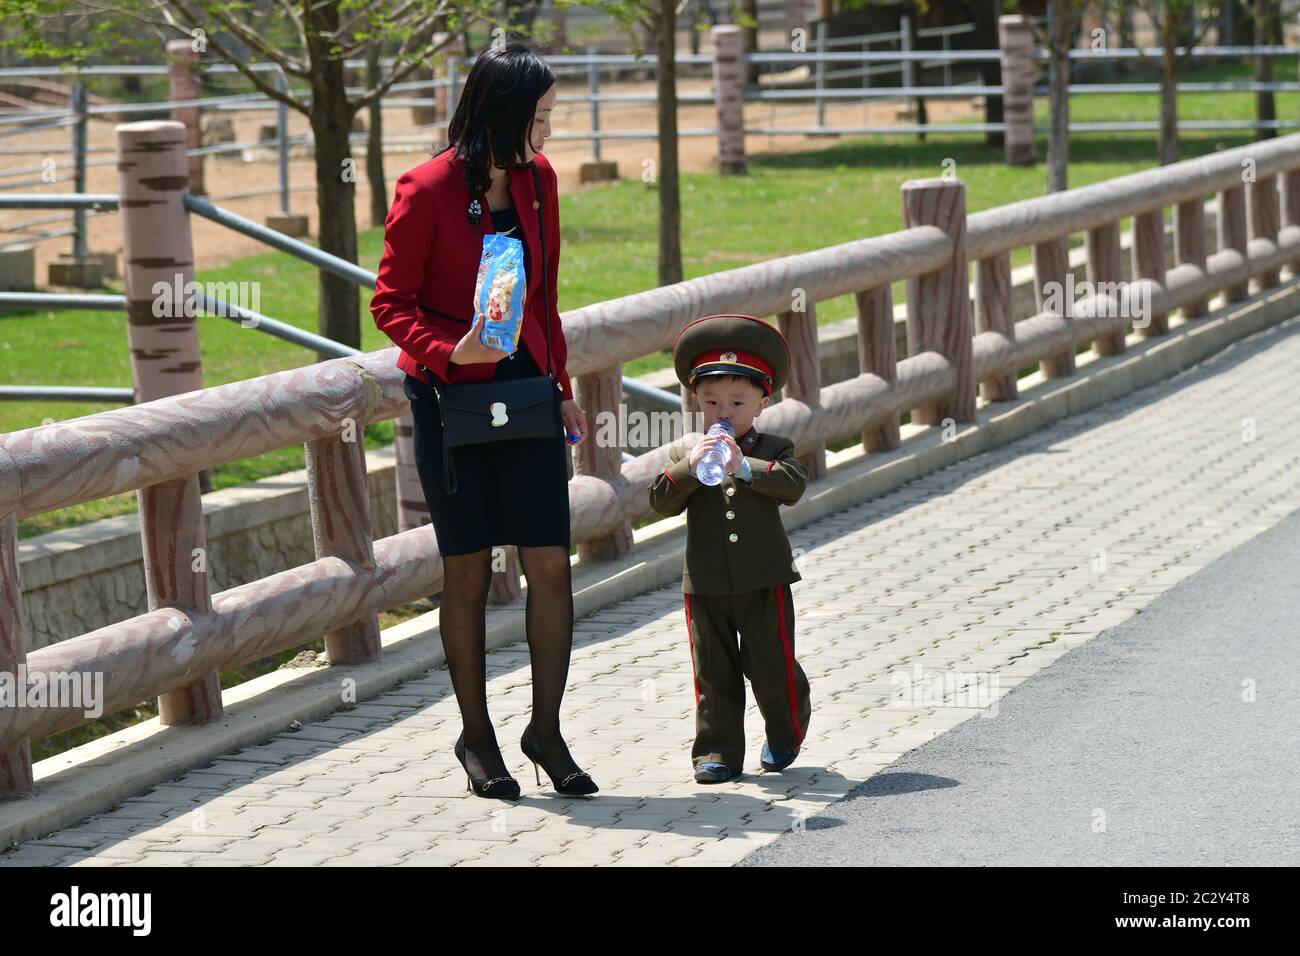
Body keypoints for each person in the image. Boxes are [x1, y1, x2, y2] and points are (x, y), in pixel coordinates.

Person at [371, 40, 597, 800]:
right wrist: (450, 350)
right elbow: (389, 304)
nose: (548, 131)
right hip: (447, 400)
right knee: (467, 572)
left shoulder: (539, 183)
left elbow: (545, 299)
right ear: (502, 116)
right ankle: (477, 736)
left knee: (550, 565)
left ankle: (547, 731)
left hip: (529, 394)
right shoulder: (427, 187)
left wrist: (560, 383)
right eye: (539, 118)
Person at [647, 314, 813, 784]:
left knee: (770, 666)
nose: (724, 412)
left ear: (762, 402)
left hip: (765, 580)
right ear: (696, 401)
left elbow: (793, 485)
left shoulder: (774, 447)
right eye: (712, 401)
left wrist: (746, 467)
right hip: (705, 583)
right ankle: (716, 751)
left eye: (738, 402)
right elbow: (658, 502)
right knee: (712, 671)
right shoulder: (690, 452)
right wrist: (686, 469)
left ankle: (785, 733)